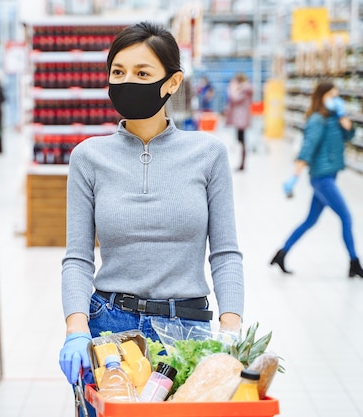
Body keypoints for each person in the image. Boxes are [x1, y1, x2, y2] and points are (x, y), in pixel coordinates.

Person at [58, 21, 245, 397]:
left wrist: (230, 330)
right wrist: (76, 330)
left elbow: (225, 254)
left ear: (172, 83)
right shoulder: (88, 157)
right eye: (118, 72)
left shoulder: (208, 154)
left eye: (142, 73)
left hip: (187, 328)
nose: (127, 82)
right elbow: (77, 257)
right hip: (109, 330)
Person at [270, 80, 363, 279]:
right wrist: (294, 176)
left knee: (310, 221)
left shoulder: (335, 117)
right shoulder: (317, 120)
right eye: (332, 96)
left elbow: (350, 135)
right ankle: (354, 263)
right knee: (346, 217)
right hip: (322, 178)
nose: (336, 99)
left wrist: (344, 116)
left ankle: (281, 253)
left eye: (337, 96)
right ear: (322, 97)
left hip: (330, 175)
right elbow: (307, 148)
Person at [226, 73, 253, 171]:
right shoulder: (245, 89)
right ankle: (241, 163)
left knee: (241, 141)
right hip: (240, 119)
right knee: (240, 140)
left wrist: (231, 89)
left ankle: (242, 163)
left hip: (241, 119)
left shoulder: (244, 90)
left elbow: (234, 98)